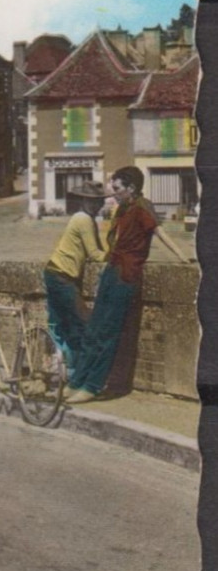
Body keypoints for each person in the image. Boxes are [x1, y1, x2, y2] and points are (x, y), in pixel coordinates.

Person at [65, 166, 191, 403]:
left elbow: (159, 232)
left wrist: (181, 255)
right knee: (93, 328)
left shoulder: (143, 207)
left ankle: (92, 386)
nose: (113, 193)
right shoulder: (122, 208)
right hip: (112, 269)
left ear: (131, 188)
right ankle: (76, 382)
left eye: (118, 188)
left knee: (108, 331)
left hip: (127, 275)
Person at [41, 182, 106, 374]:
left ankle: (55, 365)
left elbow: (97, 250)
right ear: (83, 201)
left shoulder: (87, 219)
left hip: (55, 273)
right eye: (91, 201)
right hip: (62, 277)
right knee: (81, 321)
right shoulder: (83, 219)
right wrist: (120, 257)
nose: (95, 205)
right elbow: (95, 254)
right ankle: (76, 371)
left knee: (58, 321)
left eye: (98, 201)